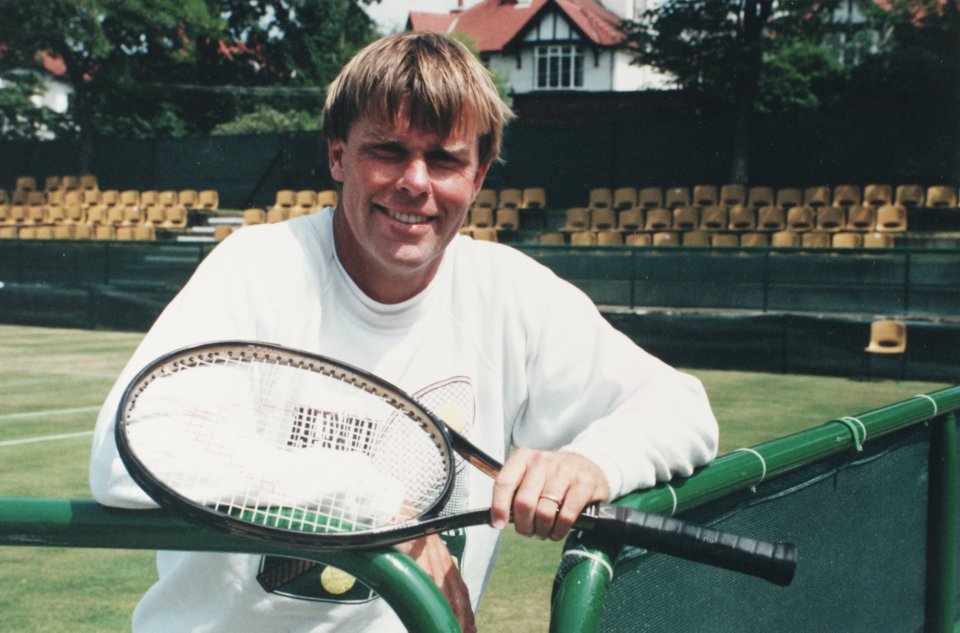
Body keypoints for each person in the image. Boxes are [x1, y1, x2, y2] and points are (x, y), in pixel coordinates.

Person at [89, 32, 718, 633]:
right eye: (387, 150)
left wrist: (590, 463)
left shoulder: (510, 292)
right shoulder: (258, 266)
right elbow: (130, 452)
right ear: (338, 154)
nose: (415, 181)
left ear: (478, 177)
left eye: (444, 159)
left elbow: (679, 408)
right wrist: (383, 515)